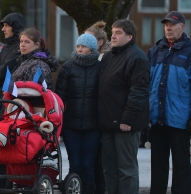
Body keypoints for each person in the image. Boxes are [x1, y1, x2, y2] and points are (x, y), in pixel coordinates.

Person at [148, 11, 191, 194]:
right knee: (157, 168)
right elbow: (145, 87)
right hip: (157, 120)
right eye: (166, 25)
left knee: (181, 167)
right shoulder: (153, 52)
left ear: (182, 27)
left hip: (180, 121)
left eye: (172, 25)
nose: (168, 28)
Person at [98, 19, 150, 194]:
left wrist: (127, 119)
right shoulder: (109, 56)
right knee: (109, 169)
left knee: (126, 171)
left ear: (130, 36)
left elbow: (139, 91)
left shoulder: (137, 57)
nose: (113, 36)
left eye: (118, 32)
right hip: (108, 124)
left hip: (126, 124)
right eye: (112, 32)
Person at [55, 33, 101, 194]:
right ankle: (73, 190)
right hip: (71, 124)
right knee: (74, 162)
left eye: (84, 46)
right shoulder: (68, 67)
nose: (80, 49)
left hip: (93, 124)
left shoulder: (100, 67)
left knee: (88, 163)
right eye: (78, 46)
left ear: (92, 49)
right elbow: (60, 96)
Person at [0, 12, 25, 187]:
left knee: (9, 142)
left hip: (11, 101)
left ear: (15, 26)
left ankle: (9, 182)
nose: (3, 29)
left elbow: (3, 73)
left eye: (6, 25)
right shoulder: (5, 48)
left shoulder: (20, 47)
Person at [84, 20, 111, 194]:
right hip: (89, 115)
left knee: (101, 158)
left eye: (89, 39)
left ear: (100, 43)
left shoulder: (106, 60)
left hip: (102, 115)